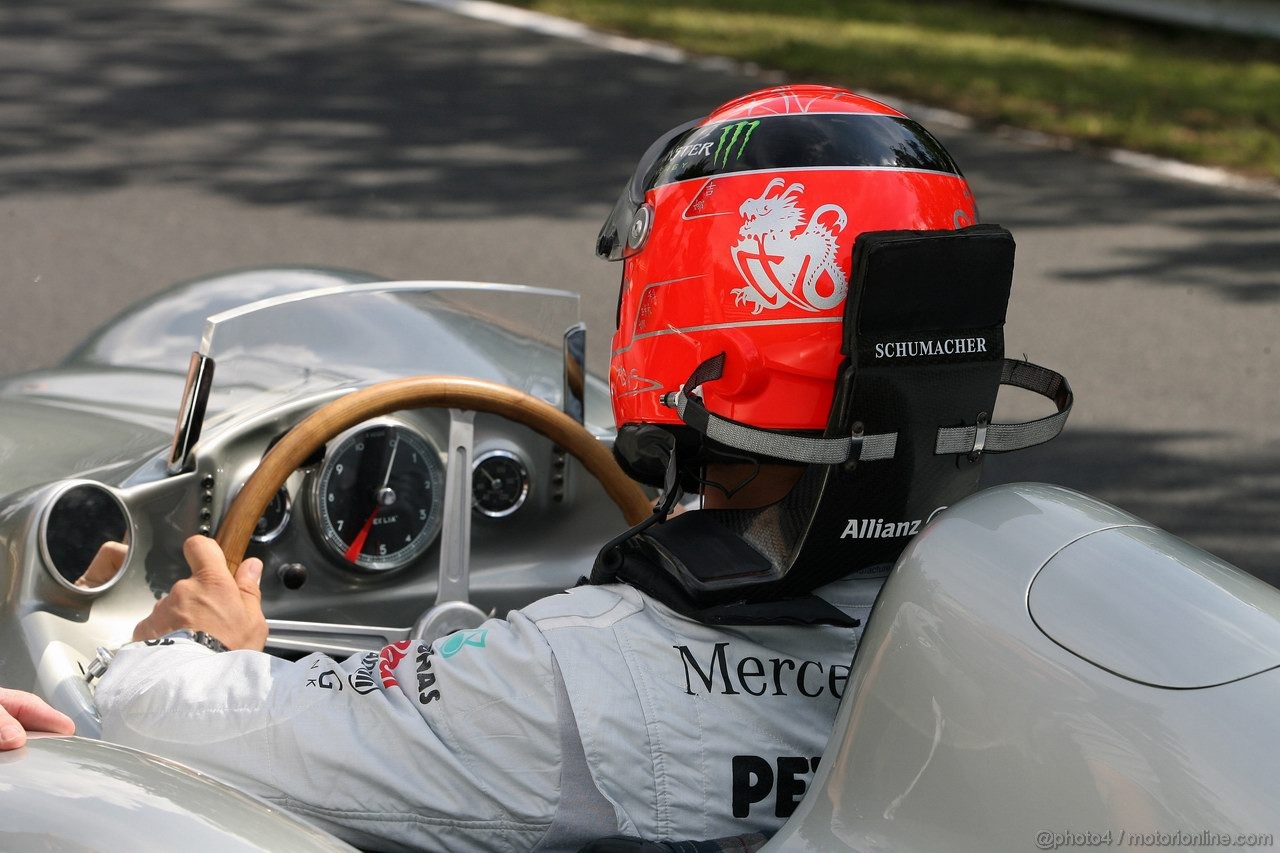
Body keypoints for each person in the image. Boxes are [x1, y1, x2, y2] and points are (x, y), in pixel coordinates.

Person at [2, 85, 1068, 851]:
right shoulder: (1030, 628)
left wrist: (201, 646)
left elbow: (158, 719)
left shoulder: (574, 682)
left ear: (680, 325)